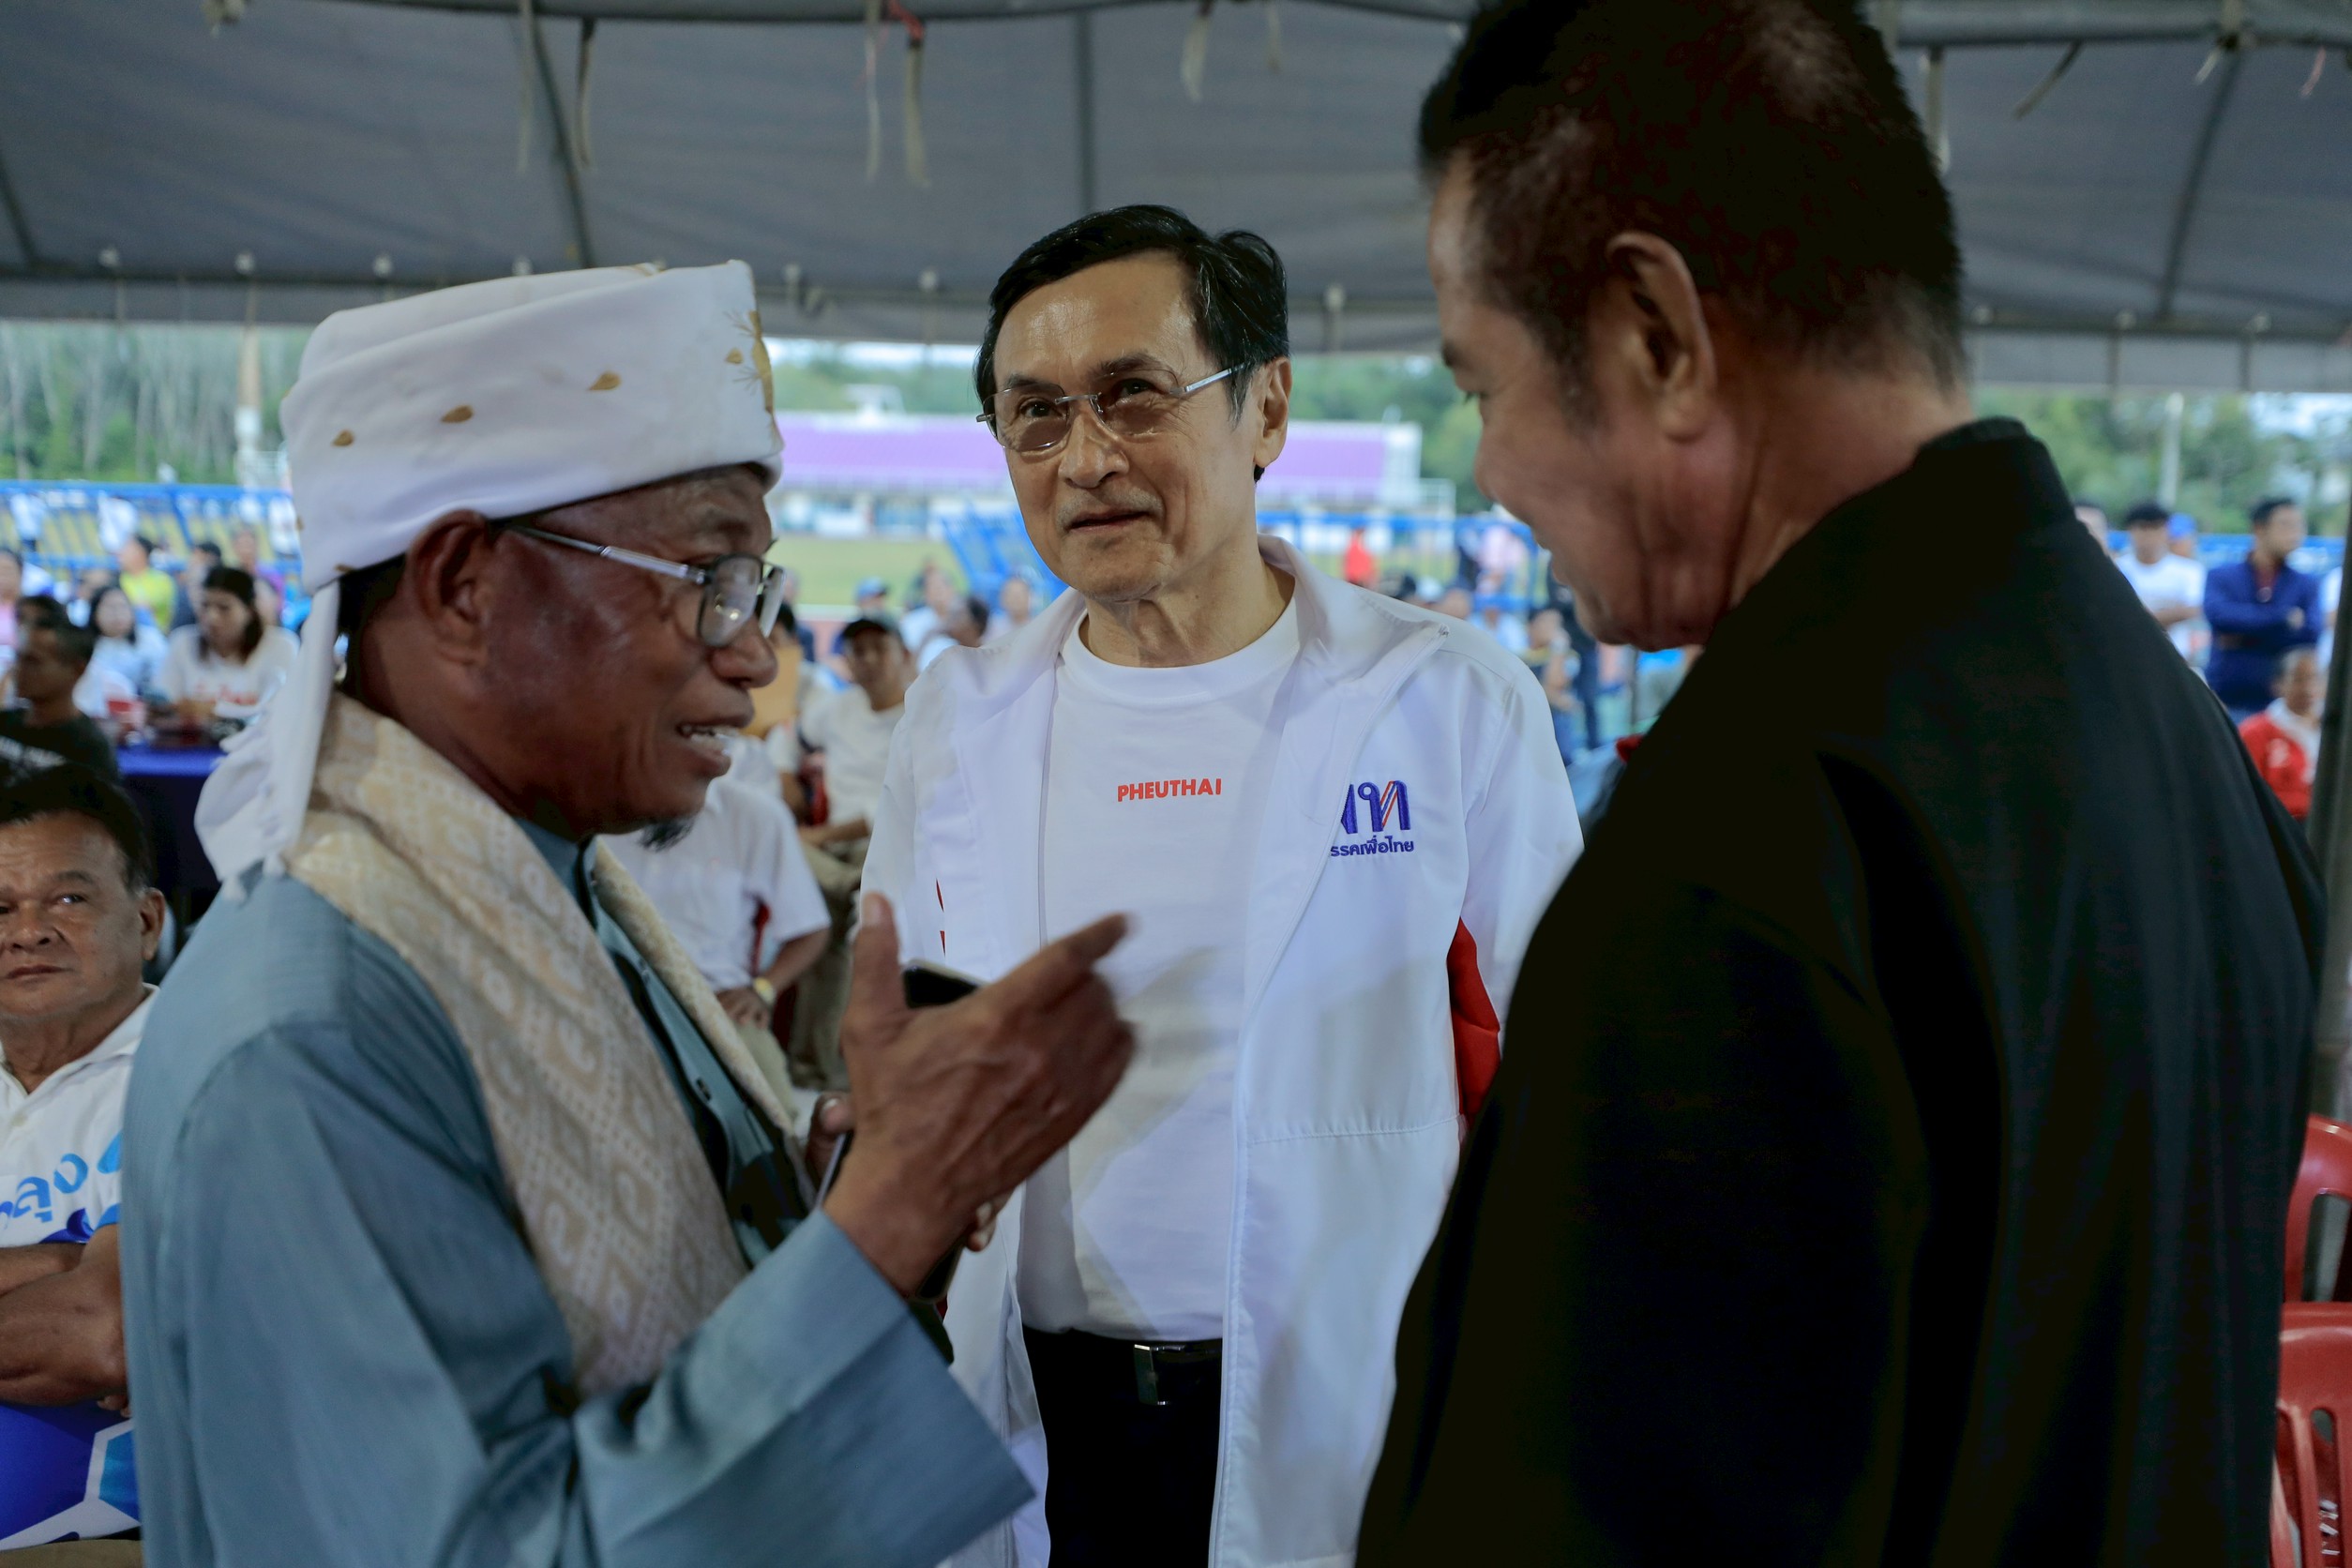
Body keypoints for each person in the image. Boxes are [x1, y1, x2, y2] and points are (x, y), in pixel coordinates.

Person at [1358, 5, 2321, 1564]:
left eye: (1483, 386)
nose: (1494, 472)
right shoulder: (2176, 747)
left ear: (1656, 335)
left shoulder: (1753, 839)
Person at [118, 261, 1138, 1568]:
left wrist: (853, 1198)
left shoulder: (555, 891)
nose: (754, 650)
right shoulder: (315, 1033)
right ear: (467, 584)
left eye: (756, 585)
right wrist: (890, 1216)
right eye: (707, 574)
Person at [877, 204, 1578, 1568]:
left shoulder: (1444, 703)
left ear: (1267, 409)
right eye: (1035, 416)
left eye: (1134, 395)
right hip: (1034, 1416)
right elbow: (910, 1042)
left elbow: (1562, 1082)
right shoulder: (958, 718)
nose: (1086, 458)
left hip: (1348, 1414)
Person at [0, 766, 166, 1550]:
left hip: (101, 1542)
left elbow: (102, 1332)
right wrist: (59, 1262)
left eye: (67, 899)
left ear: (147, 921)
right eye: (0, 908)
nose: (27, 932)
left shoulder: (194, 1074)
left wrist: (84, 1290)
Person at [602, 776, 831, 1085]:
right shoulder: (596, 805)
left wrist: (762, 990)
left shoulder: (754, 815)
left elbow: (810, 928)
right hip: (611, 996)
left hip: (717, 1007)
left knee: (770, 1107)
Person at [792, 614, 915, 1086]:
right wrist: (785, 777)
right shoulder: (838, 710)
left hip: (887, 845)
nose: (867, 660)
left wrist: (821, 836)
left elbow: (894, 804)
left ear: (904, 655)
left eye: (878, 649)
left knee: (837, 933)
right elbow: (789, 736)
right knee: (779, 839)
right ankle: (849, 888)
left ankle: (817, 1064)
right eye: (857, 651)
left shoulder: (921, 714)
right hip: (831, 857)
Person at [2206, 495, 2321, 719]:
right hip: (2228, 702)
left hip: (2282, 710)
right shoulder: (2222, 576)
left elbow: (2311, 633)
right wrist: (2283, 618)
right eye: (2285, 525)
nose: (2294, 533)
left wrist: (2242, 636)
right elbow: (2220, 617)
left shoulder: (2306, 584)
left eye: (2299, 526)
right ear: (2259, 528)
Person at [158, 565, 299, 718]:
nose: (212, 617)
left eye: (224, 608)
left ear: (249, 611)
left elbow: (277, 712)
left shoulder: (280, 646)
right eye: (205, 606)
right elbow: (164, 707)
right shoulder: (183, 643)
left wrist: (210, 710)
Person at [0, 617, 117, 779]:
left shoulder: (89, 750)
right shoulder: (5, 723)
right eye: (18, 658)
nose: (18, 669)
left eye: (33, 661)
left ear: (77, 670)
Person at [2114, 498, 2206, 660]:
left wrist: (2138, 618)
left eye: (2156, 527)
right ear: (2130, 530)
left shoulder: (2189, 570)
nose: (2149, 535)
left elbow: (2194, 609)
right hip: (2126, 655)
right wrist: (2170, 614)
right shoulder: (2117, 568)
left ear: (2167, 530)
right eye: (2143, 527)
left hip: (2176, 658)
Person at [2240, 645, 2324, 822]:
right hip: (2282, 824)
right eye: (2298, 680)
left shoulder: (2334, 729)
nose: (2307, 688)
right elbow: (2246, 791)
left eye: (2313, 678)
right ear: (2277, 685)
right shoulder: (2255, 732)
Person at [87, 584, 168, 699]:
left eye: (122, 607)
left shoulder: (151, 639)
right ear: (95, 613)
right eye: (110, 608)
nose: (117, 614)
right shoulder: (85, 645)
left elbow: (162, 680)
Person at [113, 536, 175, 630]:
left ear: (141, 553)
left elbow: (146, 607)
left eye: (127, 549)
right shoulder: (117, 580)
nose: (121, 554)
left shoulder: (161, 580)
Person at [987, 570, 1039, 642]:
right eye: (1011, 595)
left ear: (1029, 597)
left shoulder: (1039, 626)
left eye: (1019, 595)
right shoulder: (993, 627)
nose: (1015, 599)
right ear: (1003, 598)